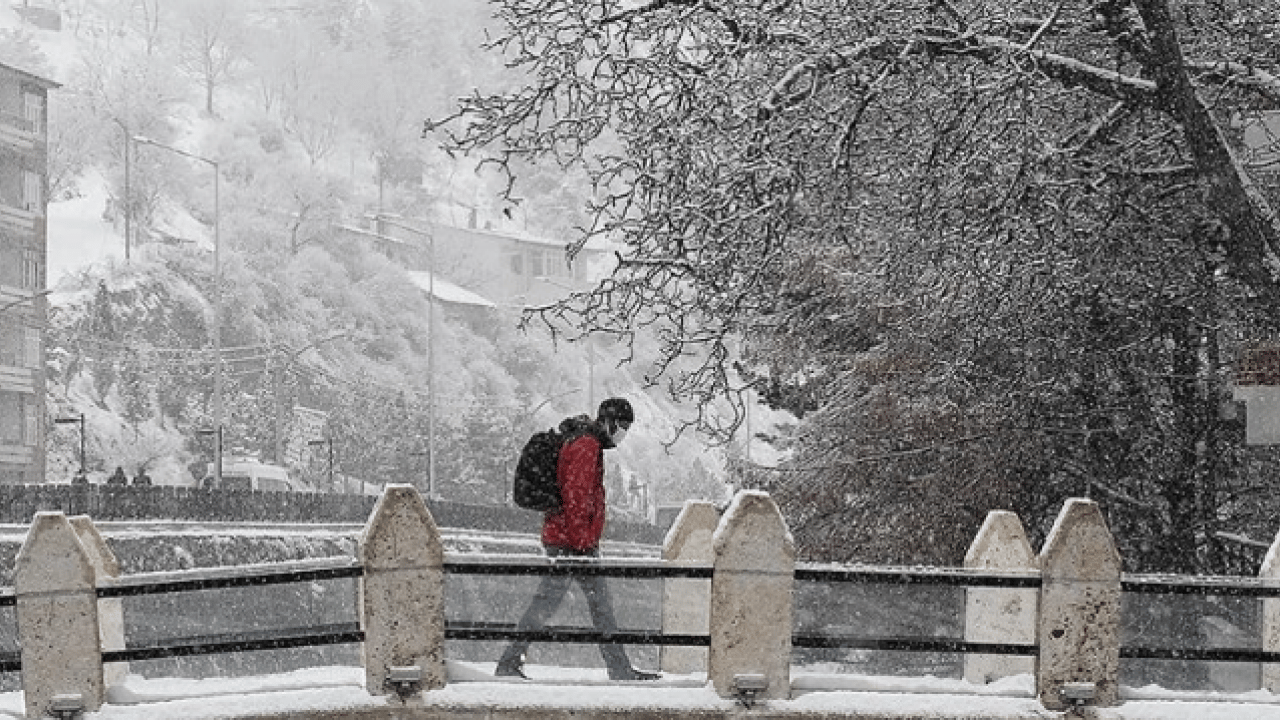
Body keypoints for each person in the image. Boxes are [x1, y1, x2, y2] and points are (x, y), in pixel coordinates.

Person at [495, 397, 659, 681]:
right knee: (577, 606)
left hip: (569, 539)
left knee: (570, 605)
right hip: (571, 542)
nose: (622, 432)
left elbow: (580, 497)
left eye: (626, 427)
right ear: (607, 421)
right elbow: (577, 497)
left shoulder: (584, 441)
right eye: (621, 425)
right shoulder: (587, 445)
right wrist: (582, 543)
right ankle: (616, 668)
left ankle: (513, 660)